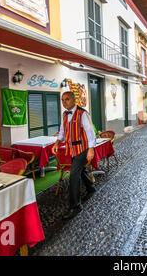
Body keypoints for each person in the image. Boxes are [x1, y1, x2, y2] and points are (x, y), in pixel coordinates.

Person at [52, 91, 97, 220]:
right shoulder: (64, 115)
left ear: (74, 100)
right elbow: (62, 132)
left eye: (67, 99)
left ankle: (75, 206)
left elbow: (90, 132)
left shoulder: (83, 113)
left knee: (73, 175)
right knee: (80, 170)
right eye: (62, 100)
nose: (64, 102)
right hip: (71, 149)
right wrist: (56, 143)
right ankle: (90, 188)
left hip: (83, 148)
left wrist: (91, 149)